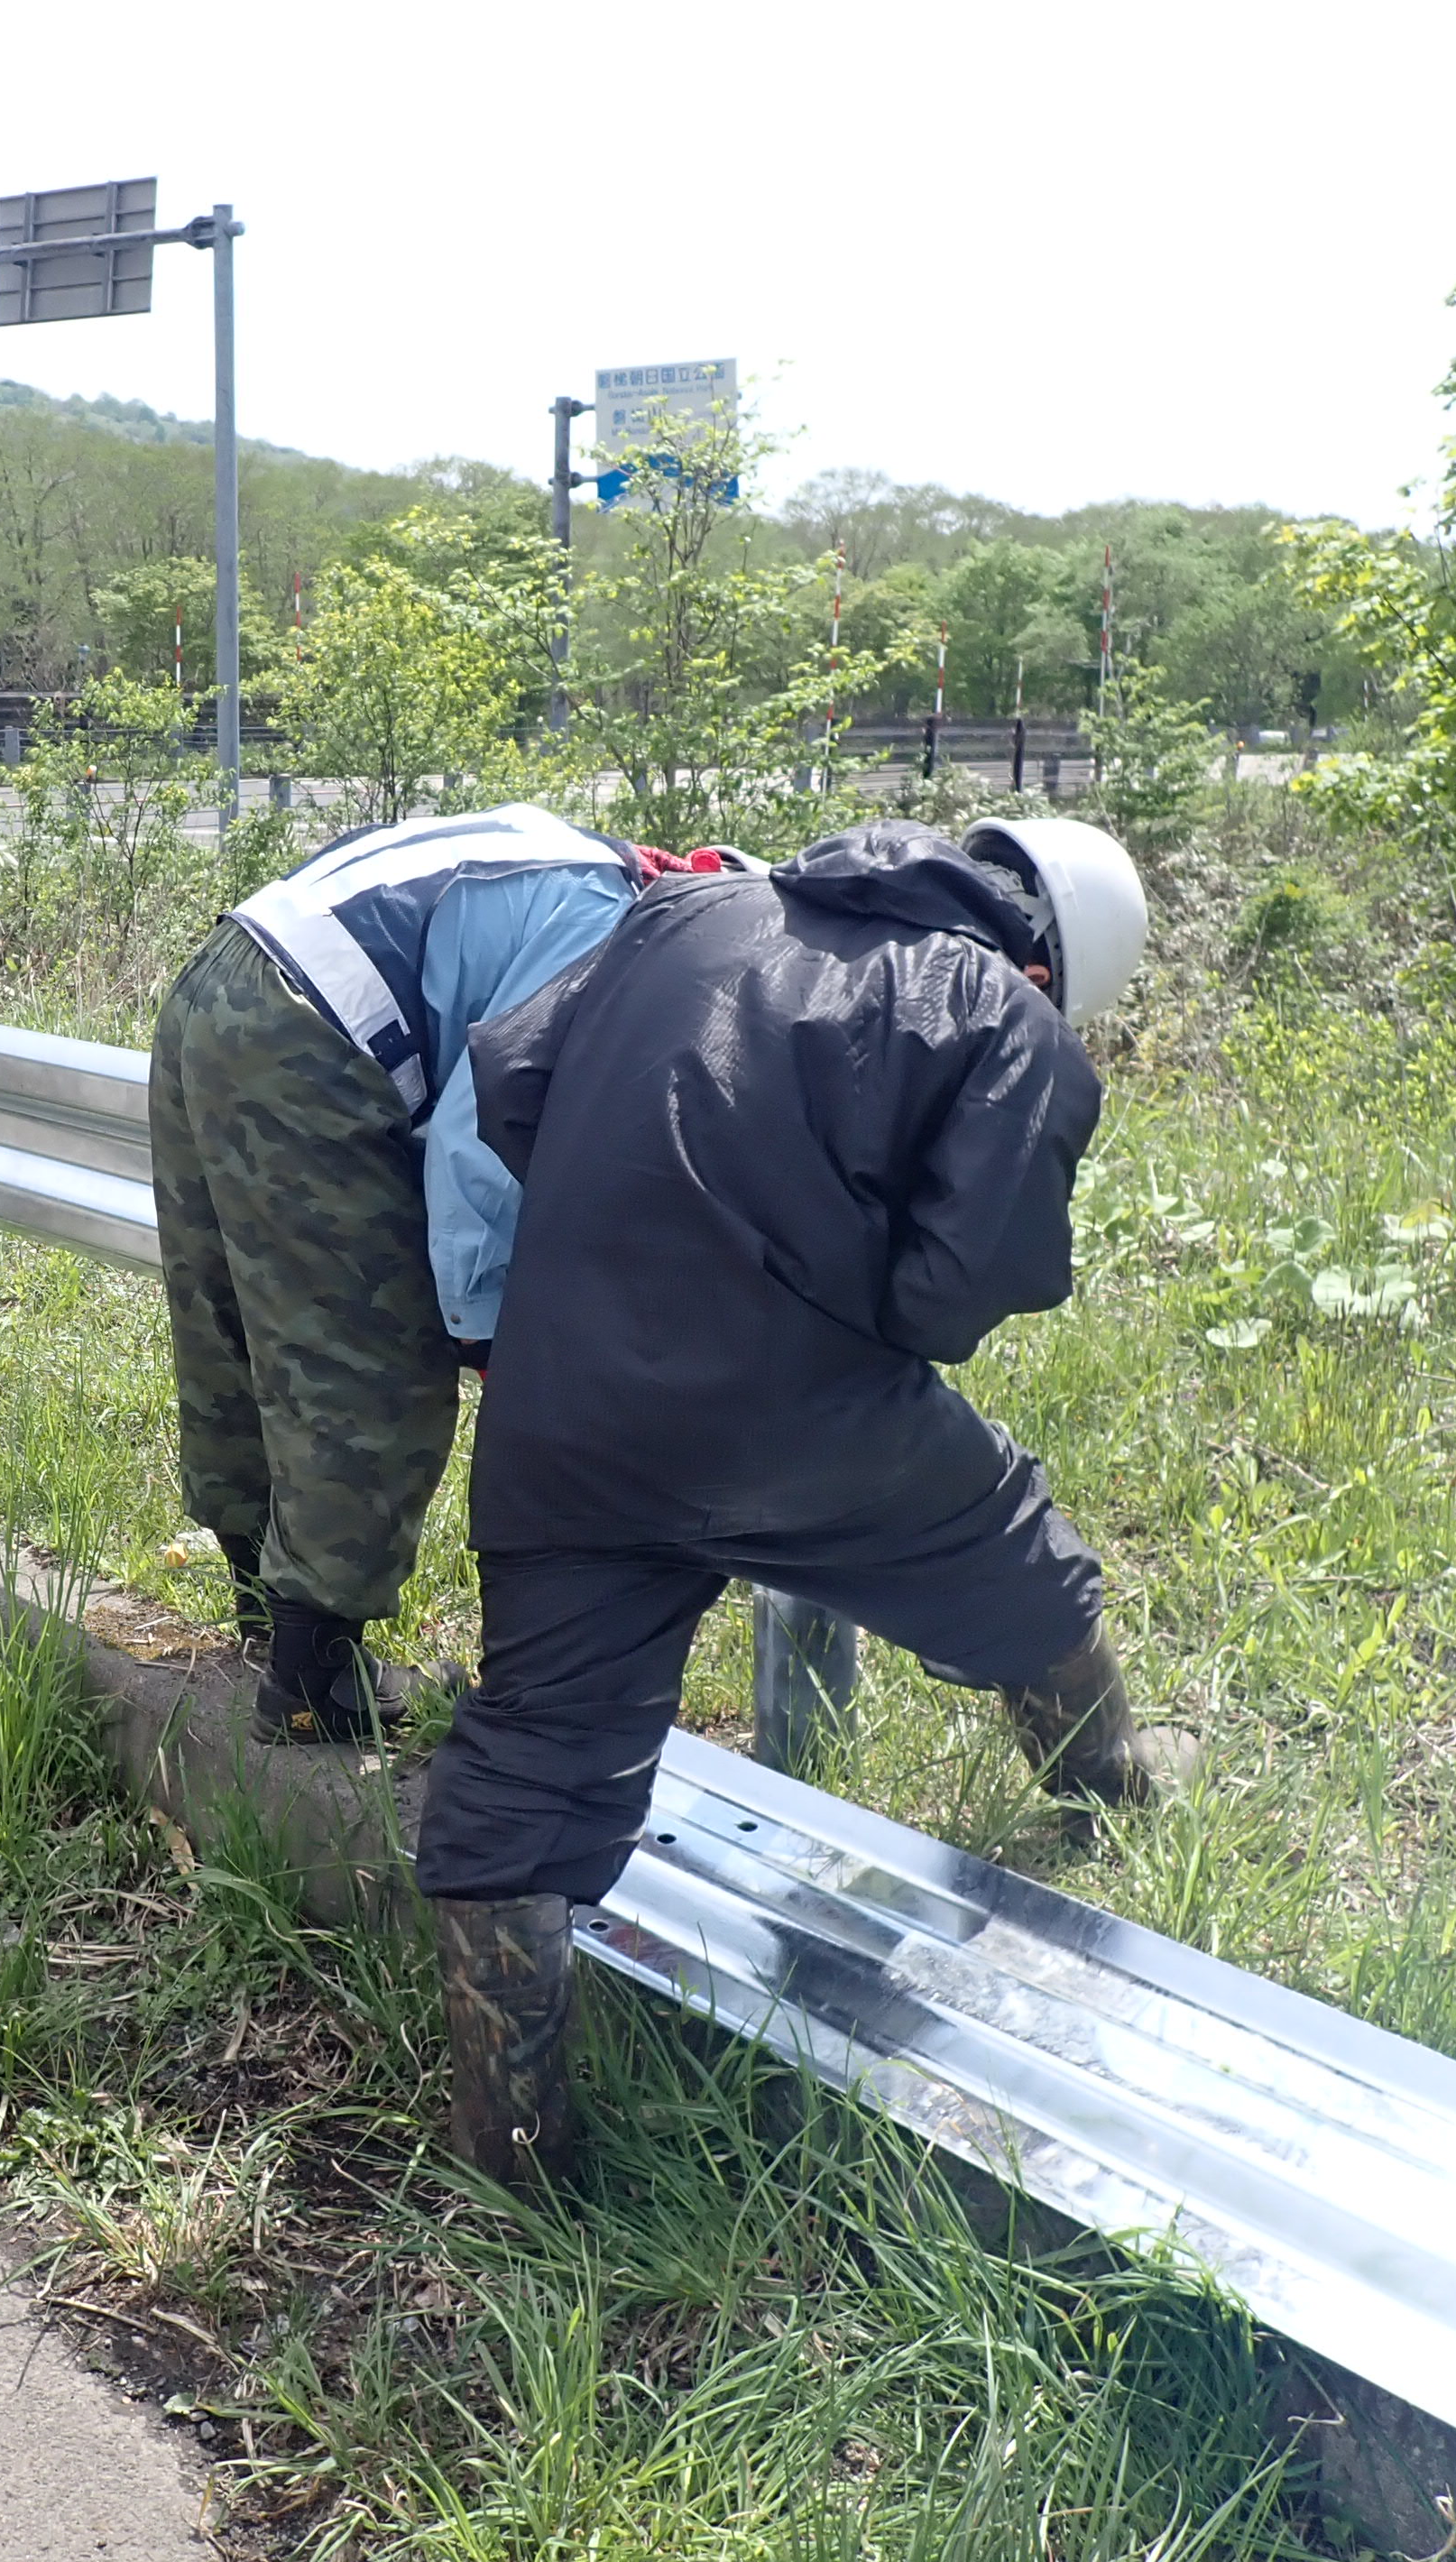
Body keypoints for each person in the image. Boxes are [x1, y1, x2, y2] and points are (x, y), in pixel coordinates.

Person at [411, 814, 1197, 2186]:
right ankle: (1109, 1794)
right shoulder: (999, 1018)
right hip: (799, 1413)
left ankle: (513, 2152)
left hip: (567, 1405)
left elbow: (515, 1084)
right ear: (1056, 963)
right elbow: (951, 1299)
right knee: (1006, 1544)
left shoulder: (685, 914)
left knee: (533, 1759)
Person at [148, 803, 749, 1746]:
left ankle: (268, 1618)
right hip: (314, 1031)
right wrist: (485, 1333)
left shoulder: (572, 860)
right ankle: (313, 1684)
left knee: (230, 1319)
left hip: (222, 976)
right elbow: (477, 1150)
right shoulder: (606, 930)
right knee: (363, 1354)